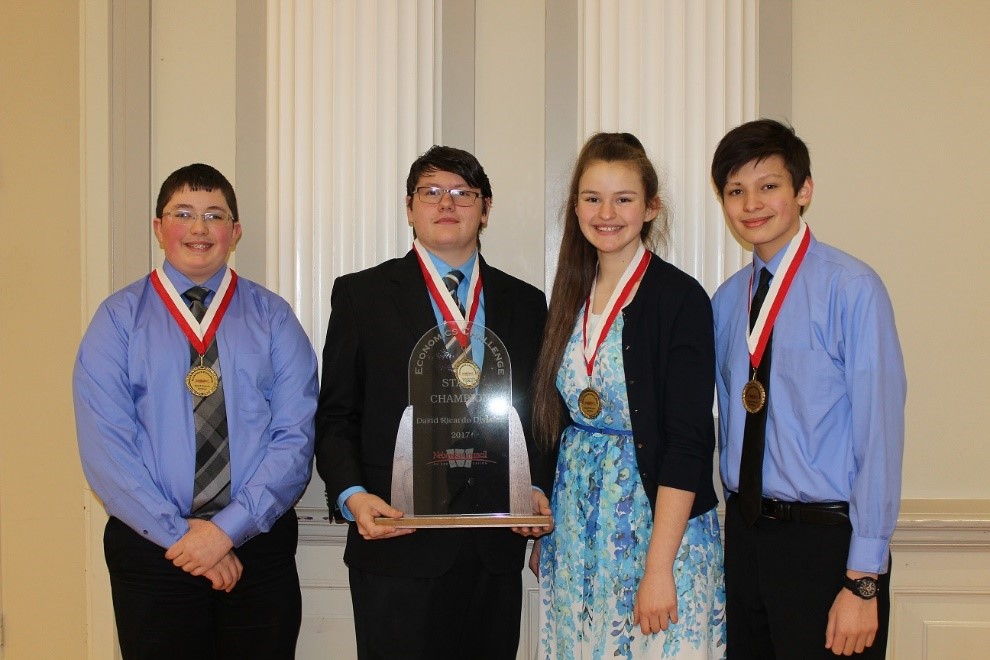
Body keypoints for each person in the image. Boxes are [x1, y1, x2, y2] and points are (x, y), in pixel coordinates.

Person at [315, 145, 553, 659]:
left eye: (463, 193)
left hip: (493, 546)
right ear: (409, 208)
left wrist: (532, 486)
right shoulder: (362, 295)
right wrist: (352, 494)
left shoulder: (526, 303)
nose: (447, 203)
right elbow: (336, 414)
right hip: (395, 541)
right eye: (431, 192)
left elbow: (540, 414)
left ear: (485, 209)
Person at [73, 163, 318, 659]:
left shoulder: (274, 317)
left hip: (256, 545)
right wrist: (186, 539)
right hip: (152, 548)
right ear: (159, 227)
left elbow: (295, 436)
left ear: (236, 231)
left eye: (215, 215)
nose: (200, 228)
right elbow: (106, 445)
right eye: (183, 213)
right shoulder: (117, 319)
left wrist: (226, 532)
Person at [710, 119, 906, 658]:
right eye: (735, 190)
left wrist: (863, 581)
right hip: (746, 539)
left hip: (826, 546)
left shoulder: (853, 289)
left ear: (804, 191)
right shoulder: (726, 303)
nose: (752, 203)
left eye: (768, 186)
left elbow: (879, 438)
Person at [530, 132, 727, 659]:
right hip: (576, 536)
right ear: (575, 207)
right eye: (592, 198)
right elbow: (555, 419)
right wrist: (545, 527)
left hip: (657, 533)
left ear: (650, 207)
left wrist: (659, 569)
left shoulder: (679, 298)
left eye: (624, 198)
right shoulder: (569, 294)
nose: (606, 213)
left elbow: (688, 440)